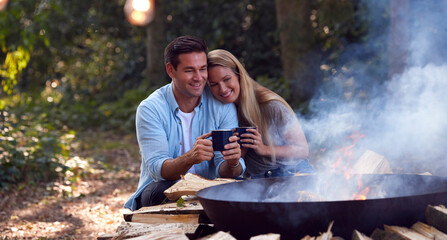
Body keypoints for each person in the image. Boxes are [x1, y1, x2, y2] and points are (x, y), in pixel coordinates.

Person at [124, 37, 245, 211]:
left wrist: (233, 162)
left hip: (210, 192)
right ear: (171, 70)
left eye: (202, 69)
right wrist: (191, 157)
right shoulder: (151, 108)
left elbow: (224, 170)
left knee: (241, 187)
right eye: (189, 70)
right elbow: (159, 170)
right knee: (159, 191)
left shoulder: (221, 106)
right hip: (165, 191)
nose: (198, 78)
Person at [207, 49, 313, 179]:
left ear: (239, 75)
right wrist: (239, 153)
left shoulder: (271, 105)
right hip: (255, 181)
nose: (222, 89)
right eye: (214, 84)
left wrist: (264, 149)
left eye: (227, 79)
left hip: (291, 175)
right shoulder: (221, 113)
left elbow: (302, 150)